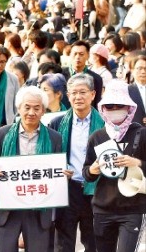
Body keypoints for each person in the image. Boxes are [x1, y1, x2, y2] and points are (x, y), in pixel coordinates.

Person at [0, 86, 65, 252]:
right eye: (27, 107)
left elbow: (57, 167)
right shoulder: (2, 134)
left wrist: (63, 173)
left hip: (39, 208)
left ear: (43, 110)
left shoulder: (54, 138)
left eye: (37, 108)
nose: (31, 112)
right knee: (4, 248)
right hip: (10, 206)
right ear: (19, 108)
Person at [82, 80, 146, 252]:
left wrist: (138, 163)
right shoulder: (97, 137)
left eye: (120, 105)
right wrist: (93, 170)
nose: (114, 110)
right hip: (103, 209)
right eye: (109, 106)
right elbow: (86, 173)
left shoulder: (141, 133)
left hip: (133, 209)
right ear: (103, 109)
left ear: (129, 108)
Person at [49, 74, 104, 252]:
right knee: (63, 243)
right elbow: (49, 155)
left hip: (96, 189)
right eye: (73, 93)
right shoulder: (57, 123)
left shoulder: (105, 124)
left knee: (94, 241)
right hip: (68, 189)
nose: (78, 97)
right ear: (67, 95)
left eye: (83, 92)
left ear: (93, 94)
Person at [61, 40, 103, 108]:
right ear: (70, 55)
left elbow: (96, 104)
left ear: (88, 56)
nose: (77, 57)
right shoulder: (60, 75)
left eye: (81, 54)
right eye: (75, 54)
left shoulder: (96, 79)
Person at [128, 55, 146, 126]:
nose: (143, 72)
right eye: (140, 68)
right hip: (134, 133)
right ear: (132, 70)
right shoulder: (126, 91)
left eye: (145, 68)